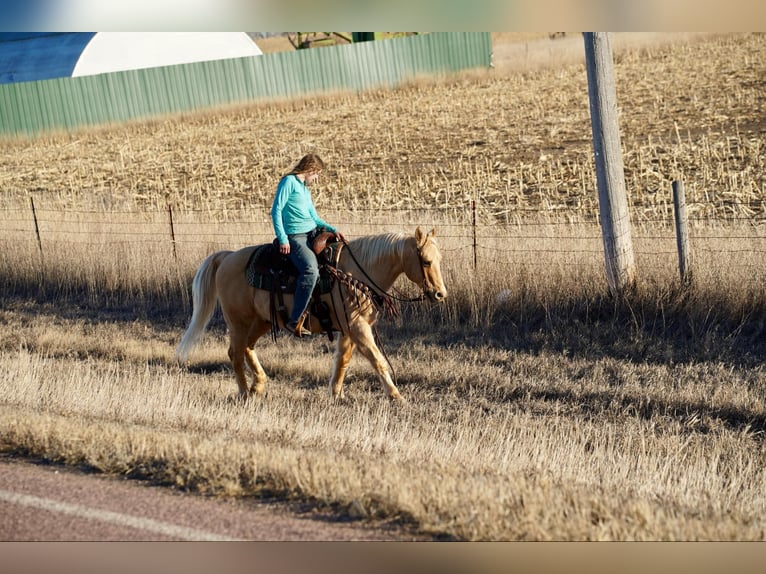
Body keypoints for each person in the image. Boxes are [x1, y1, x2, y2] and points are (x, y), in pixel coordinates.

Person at [270, 153, 345, 337]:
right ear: (310, 169)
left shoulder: (304, 188)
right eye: (317, 173)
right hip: (296, 237)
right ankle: (294, 320)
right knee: (311, 270)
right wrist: (283, 238)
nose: (317, 178)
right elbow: (276, 210)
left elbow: (314, 217)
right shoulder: (288, 182)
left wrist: (332, 229)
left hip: (312, 232)